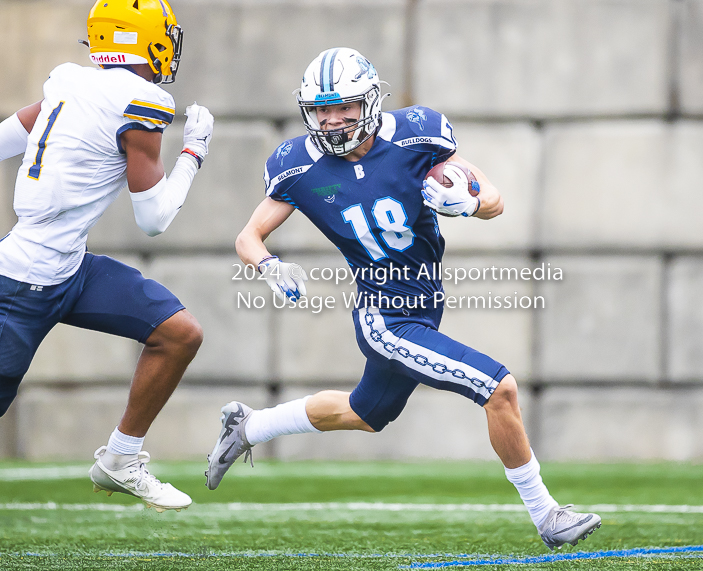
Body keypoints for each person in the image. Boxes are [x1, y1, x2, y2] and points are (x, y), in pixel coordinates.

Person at [206, 47, 600, 550]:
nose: (330, 119)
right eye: (321, 109)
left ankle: (249, 427)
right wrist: (268, 264)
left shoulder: (419, 134)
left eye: (343, 106)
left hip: (425, 304)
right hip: (384, 317)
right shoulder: (297, 165)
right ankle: (548, 517)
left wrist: (471, 203)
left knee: (365, 413)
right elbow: (248, 237)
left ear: (369, 101)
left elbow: (495, 201)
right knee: (498, 388)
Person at [0, 0, 214, 512]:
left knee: (178, 332)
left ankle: (120, 459)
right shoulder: (141, 102)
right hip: (23, 284)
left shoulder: (70, 81)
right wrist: (195, 152)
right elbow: (154, 219)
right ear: (150, 40)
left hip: (68, 266)